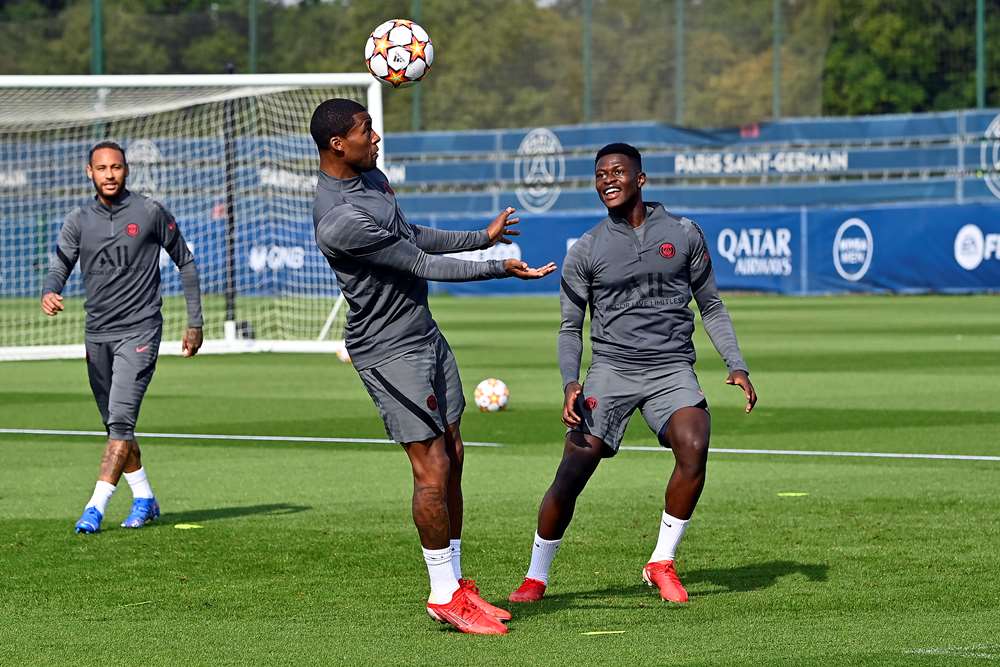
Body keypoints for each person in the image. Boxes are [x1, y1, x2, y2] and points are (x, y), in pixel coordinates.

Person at [310, 98, 556, 636]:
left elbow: (415, 234)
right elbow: (417, 262)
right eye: (366, 130)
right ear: (337, 144)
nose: (375, 137)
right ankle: (442, 593)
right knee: (432, 467)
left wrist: (481, 238)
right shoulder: (338, 219)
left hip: (423, 334)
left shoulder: (371, 181)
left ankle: (460, 584)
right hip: (389, 352)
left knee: (455, 454)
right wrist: (497, 268)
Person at [508, 143, 757, 605]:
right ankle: (536, 576)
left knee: (695, 441)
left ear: (640, 179)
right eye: (600, 174)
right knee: (573, 471)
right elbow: (569, 327)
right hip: (611, 370)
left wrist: (735, 364)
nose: (608, 180)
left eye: (617, 172)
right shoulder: (586, 249)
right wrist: (570, 382)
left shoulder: (684, 233)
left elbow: (712, 306)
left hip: (670, 369)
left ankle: (661, 561)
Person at [41, 141, 204, 534]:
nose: (110, 174)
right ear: (90, 172)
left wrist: (194, 322)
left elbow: (185, 260)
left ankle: (95, 507)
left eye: (116, 167)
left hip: (140, 329)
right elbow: (60, 262)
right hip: (97, 333)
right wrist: (50, 289)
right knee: (117, 428)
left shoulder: (149, 212)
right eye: (102, 168)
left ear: (126, 170)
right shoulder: (79, 220)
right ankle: (145, 497)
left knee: (119, 420)